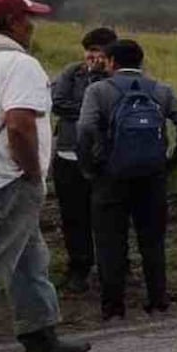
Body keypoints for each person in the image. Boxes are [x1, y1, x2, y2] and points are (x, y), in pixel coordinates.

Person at [0, 0, 90, 352]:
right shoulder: (18, 64)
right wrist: (31, 172)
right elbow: (19, 126)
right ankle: (39, 335)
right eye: (27, 18)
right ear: (12, 22)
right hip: (6, 178)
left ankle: (39, 336)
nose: (31, 26)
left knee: (28, 255)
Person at [76, 39, 177, 320]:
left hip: (110, 176)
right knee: (152, 241)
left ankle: (113, 308)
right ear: (141, 62)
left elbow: (85, 129)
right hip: (152, 176)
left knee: (109, 243)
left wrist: (90, 167)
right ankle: (158, 301)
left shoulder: (98, 90)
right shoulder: (161, 90)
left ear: (111, 62)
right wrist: (171, 162)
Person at [51, 27, 117, 294]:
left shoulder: (117, 77)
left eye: (98, 52)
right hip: (69, 154)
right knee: (73, 215)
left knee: (108, 215)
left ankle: (112, 268)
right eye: (89, 51)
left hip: (104, 158)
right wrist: (92, 110)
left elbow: (116, 110)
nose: (92, 56)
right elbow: (58, 103)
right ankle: (79, 267)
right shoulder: (72, 73)